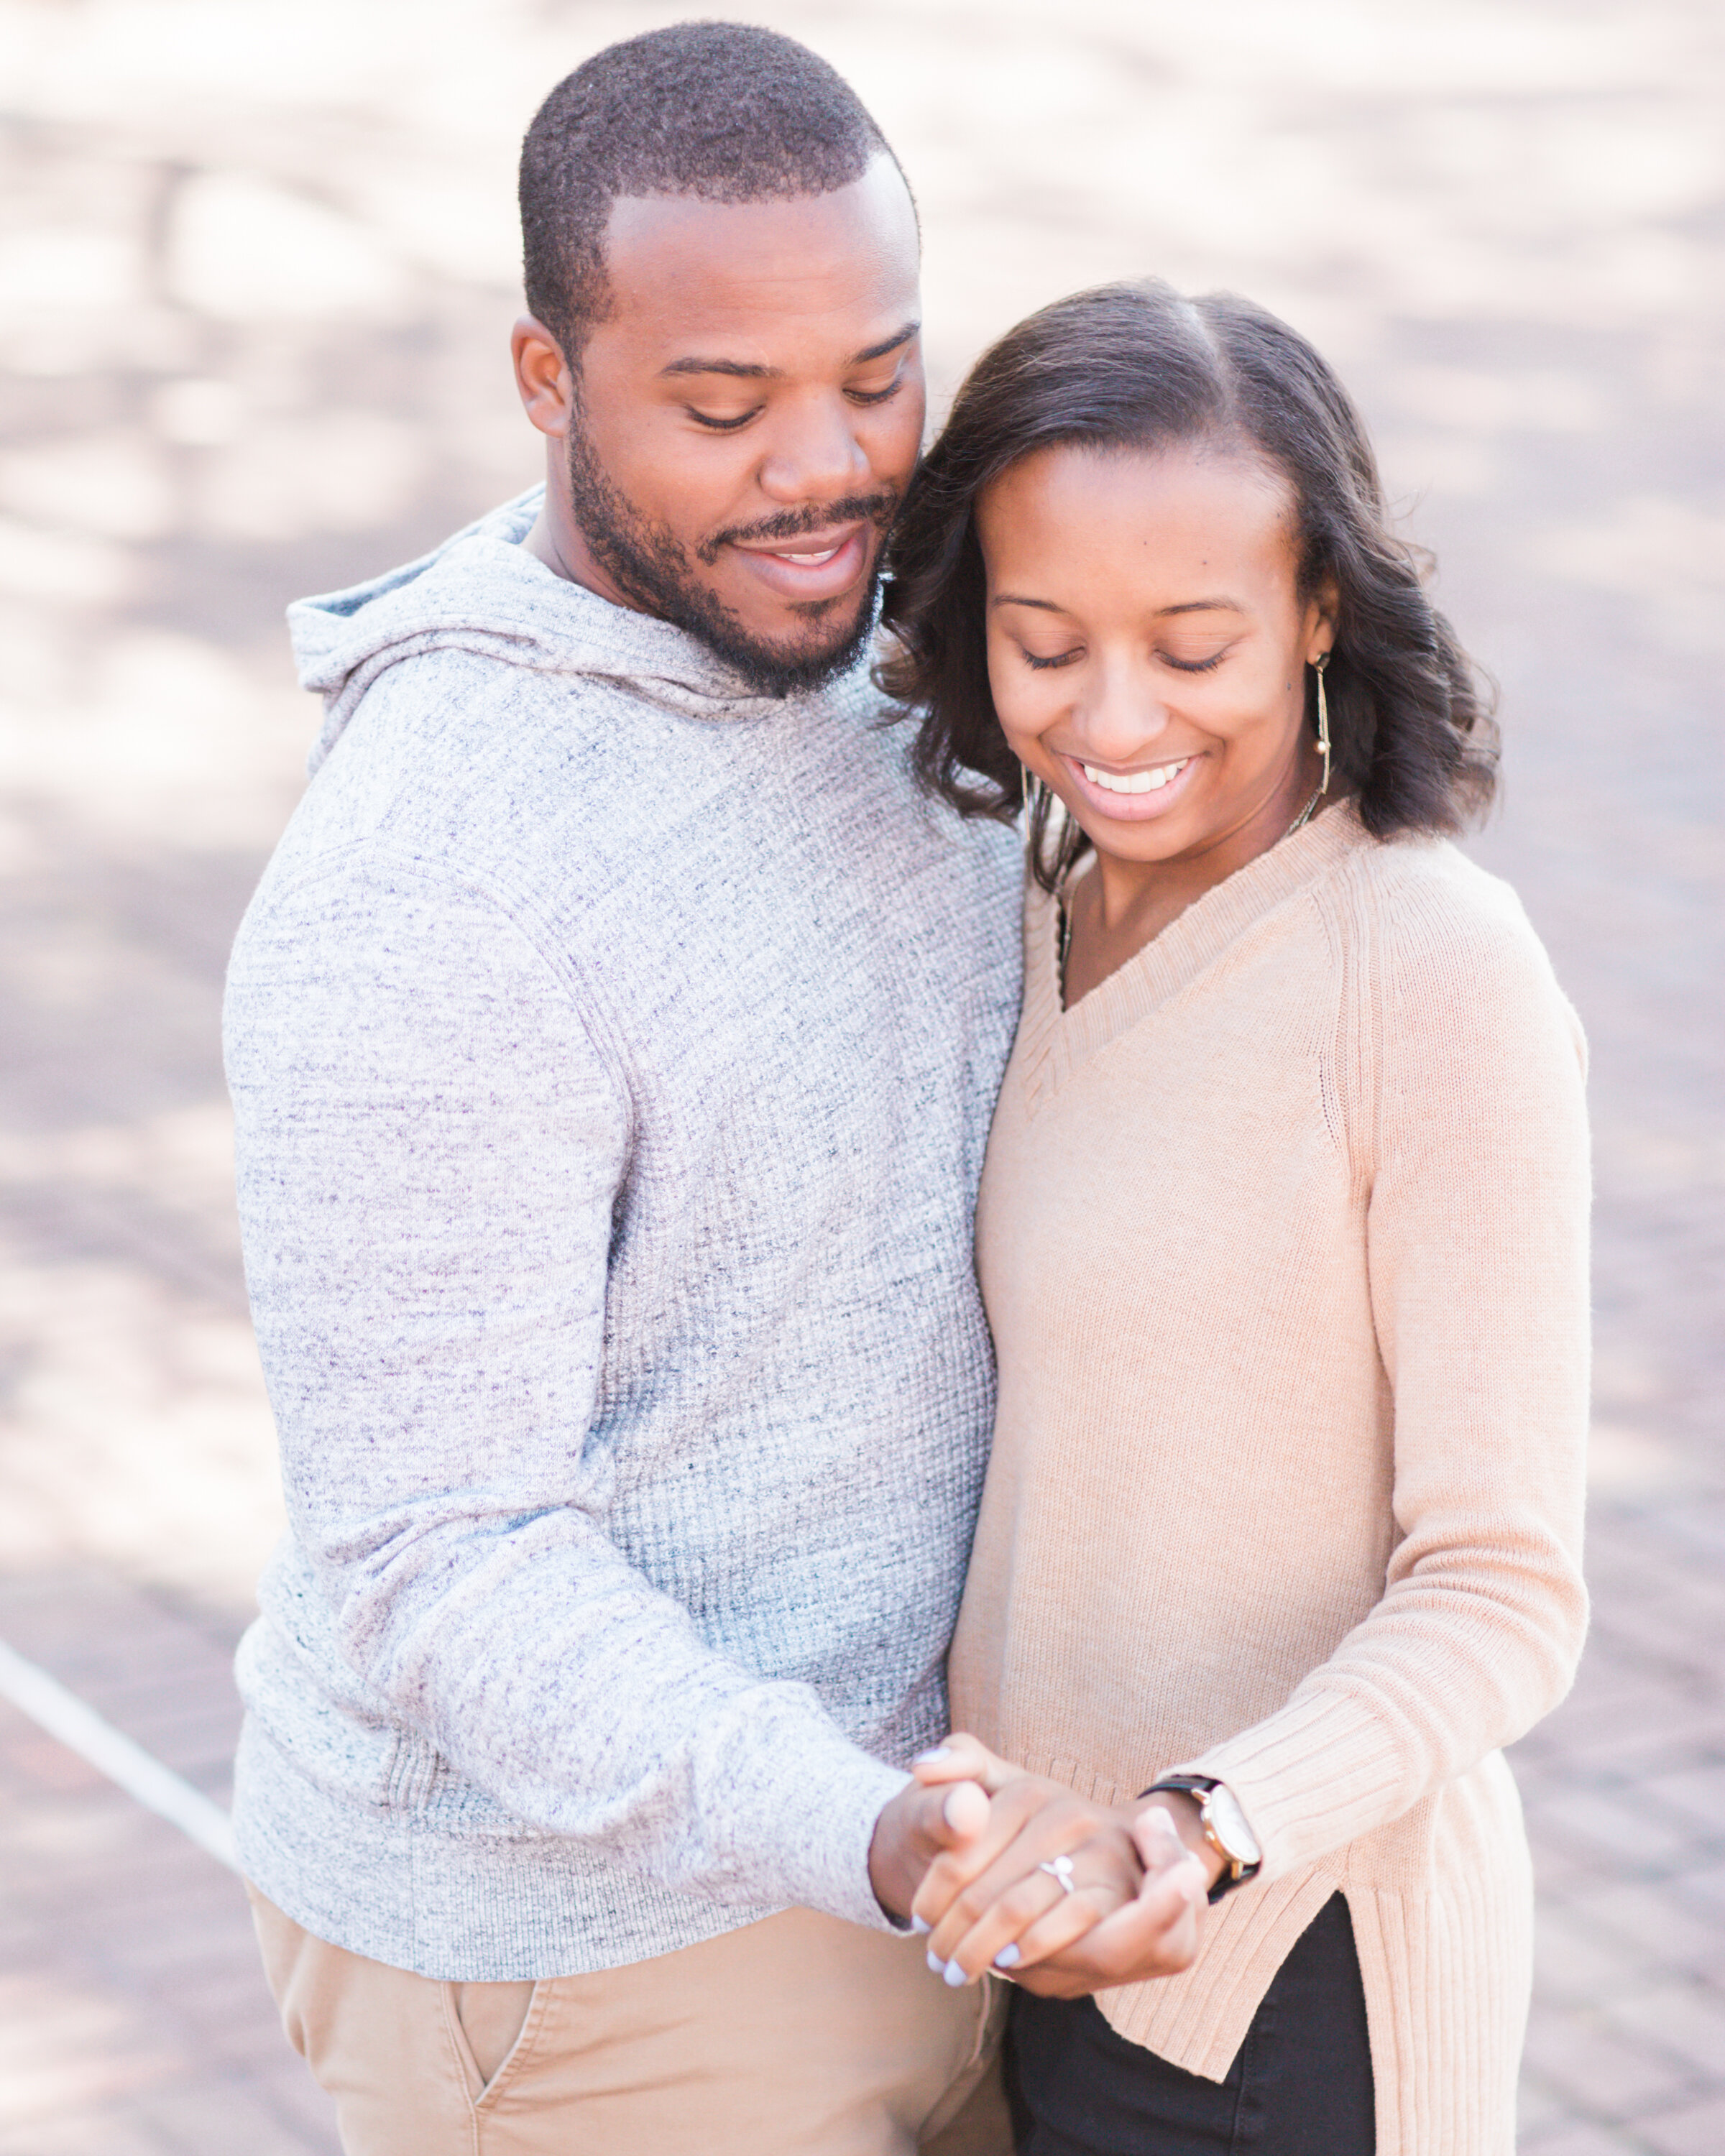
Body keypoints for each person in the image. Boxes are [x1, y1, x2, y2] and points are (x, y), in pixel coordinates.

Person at [224, 24, 1126, 2154]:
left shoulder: (899, 638)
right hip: (590, 1954)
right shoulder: (424, 889)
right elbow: (443, 1560)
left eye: (879, 378)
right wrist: (871, 1836)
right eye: (722, 407)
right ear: (548, 383)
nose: (826, 471)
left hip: (930, 1842)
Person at [878, 280, 1591, 2155]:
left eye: (1195, 646)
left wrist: (1197, 1825)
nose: (1114, 721)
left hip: (1295, 1991)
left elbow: (1505, 1595)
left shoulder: (1427, 969)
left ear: (1319, 611)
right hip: (1023, 1942)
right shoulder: (1030, 908)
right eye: (1045, 645)